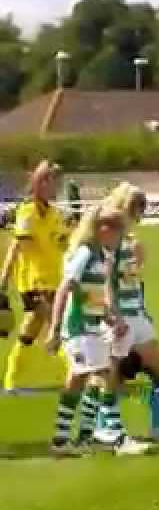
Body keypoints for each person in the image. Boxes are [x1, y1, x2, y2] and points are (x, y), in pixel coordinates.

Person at [90, 184, 159, 443]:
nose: (138, 216)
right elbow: (106, 283)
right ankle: (107, 425)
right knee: (109, 373)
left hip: (136, 314)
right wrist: (113, 316)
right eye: (136, 210)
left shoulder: (130, 242)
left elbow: (132, 282)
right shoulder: (110, 243)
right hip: (120, 316)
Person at [46, 204, 149, 457]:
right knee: (104, 374)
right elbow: (64, 289)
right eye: (118, 232)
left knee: (81, 378)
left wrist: (114, 318)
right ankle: (114, 436)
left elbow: (98, 294)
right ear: (104, 230)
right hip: (79, 326)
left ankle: (69, 439)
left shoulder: (104, 256)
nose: (121, 238)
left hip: (94, 325)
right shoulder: (85, 253)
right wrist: (56, 328)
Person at [0, 160, 70, 394]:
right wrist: (3, 279)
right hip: (33, 283)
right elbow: (16, 247)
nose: (57, 189)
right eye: (54, 183)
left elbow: (62, 243)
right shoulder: (27, 212)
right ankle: (79, 375)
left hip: (54, 280)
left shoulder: (54, 213)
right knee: (58, 326)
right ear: (42, 183)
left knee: (30, 330)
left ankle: (10, 380)